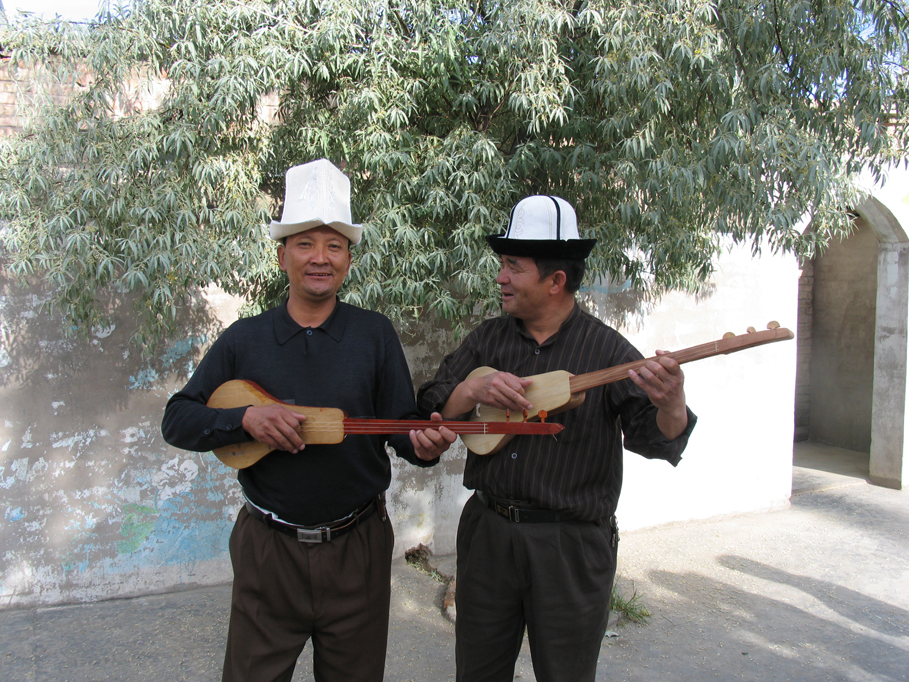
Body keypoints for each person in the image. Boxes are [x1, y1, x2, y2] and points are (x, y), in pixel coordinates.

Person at [161, 158, 456, 682]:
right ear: (282, 256)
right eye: (304, 243)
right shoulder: (245, 339)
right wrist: (246, 419)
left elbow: (402, 428)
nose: (320, 257)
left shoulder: (374, 335)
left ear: (348, 259)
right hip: (267, 549)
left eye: (334, 245)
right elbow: (177, 420)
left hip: (358, 547)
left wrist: (425, 445)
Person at [417, 195, 697, 682]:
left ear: (555, 280)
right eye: (503, 265)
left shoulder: (607, 350)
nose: (501, 277)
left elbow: (657, 440)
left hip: (571, 546)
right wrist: (472, 389)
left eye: (513, 266)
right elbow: (430, 403)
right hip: (488, 533)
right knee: (477, 672)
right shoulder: (488, 339)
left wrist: (672, 404)